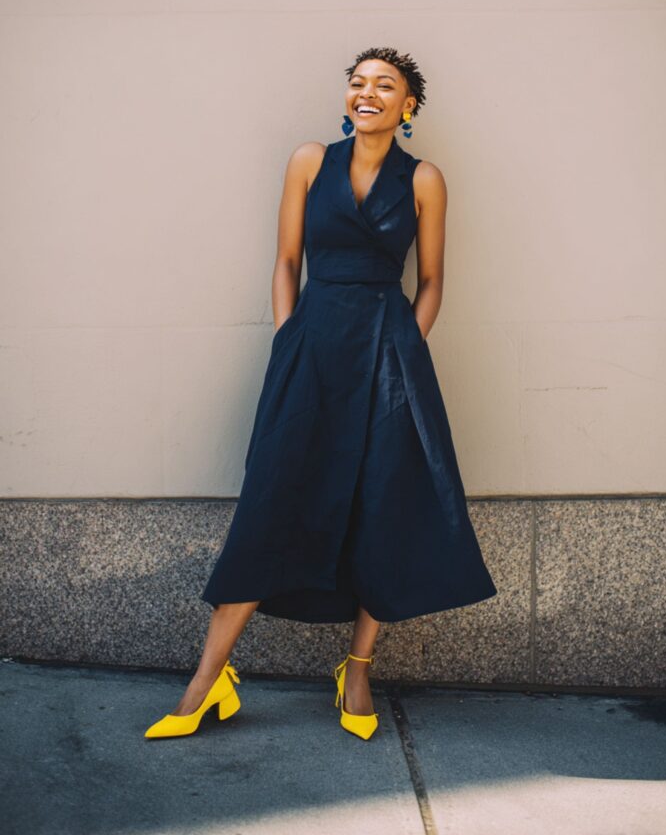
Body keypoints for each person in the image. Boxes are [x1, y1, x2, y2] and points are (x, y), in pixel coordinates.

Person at [145, 46, 497, 742]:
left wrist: (407, 346)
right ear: (347, 98)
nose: (367, 93)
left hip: (388, 358)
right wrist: (288, 341)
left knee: (382, 508)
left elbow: (430, 279)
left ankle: (356, 671)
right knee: (272, 503)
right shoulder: (309, 161)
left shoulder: (424, 179)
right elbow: (283, 261)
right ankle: (207, 678)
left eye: (384, 85)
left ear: (407, 106)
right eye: (357, 83)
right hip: (311, 346)